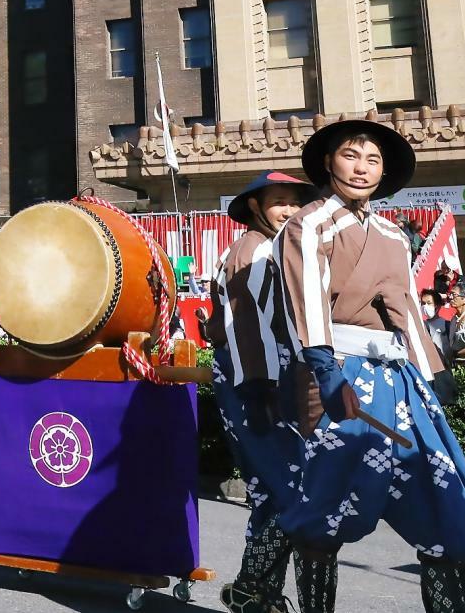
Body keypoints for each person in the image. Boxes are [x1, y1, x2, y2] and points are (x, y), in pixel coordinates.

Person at [275, 120, 465, 613]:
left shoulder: (393, 232)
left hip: (397, 377)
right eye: (351, 155)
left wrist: (434, 370)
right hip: (335, 372)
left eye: (373, 160)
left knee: (440, 497)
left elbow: (405, 306)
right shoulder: (307, 225)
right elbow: (307, 305)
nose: (362, 168)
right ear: (329, 163)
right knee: (321, 510)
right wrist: (325, 372)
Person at [208, 169, 315, 613]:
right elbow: (242, 327)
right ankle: (250, 587)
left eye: (294, 200)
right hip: (254, 380)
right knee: (290, 492)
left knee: (275, 493)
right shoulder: (251, 249)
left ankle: (261, 598)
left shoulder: (275, 246)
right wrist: (257, 389)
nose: (288, 209)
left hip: (272, 379)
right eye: (278, 201)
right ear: (255, 207)